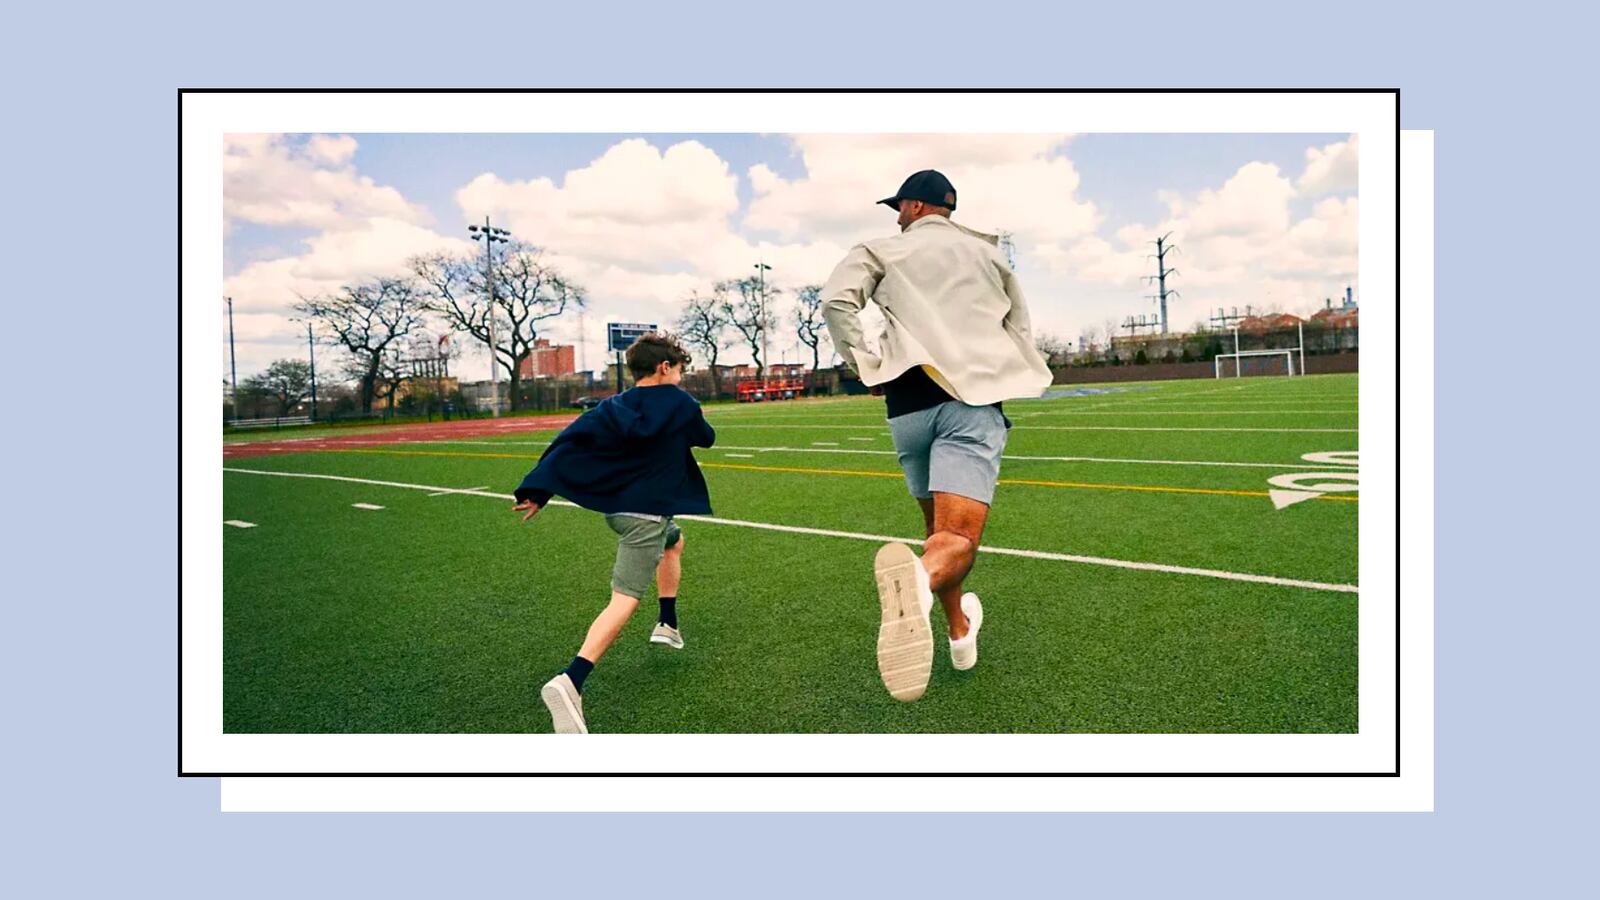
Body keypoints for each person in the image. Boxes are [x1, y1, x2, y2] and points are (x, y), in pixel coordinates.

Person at [820, 169, 1052, 702]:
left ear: (917, 206)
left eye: (899, 208)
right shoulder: (990, 255)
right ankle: (916, 588)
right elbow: (1018, 327)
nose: (897, 218)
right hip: (970, 401)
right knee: (956, 541)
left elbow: (836, 303)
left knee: (936, 534)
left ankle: (959, 634)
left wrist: (862, 362)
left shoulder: (877, 250)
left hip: (906, 404)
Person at [511, 332, 716, 733]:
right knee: (623, 600)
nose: (679, 376)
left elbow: (568, 443)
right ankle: (572, 680)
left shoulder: (613, 406)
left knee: (675, 541)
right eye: (678, 369)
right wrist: (690, 412)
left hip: (620, 511)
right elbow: (705, 438)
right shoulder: (681, 402)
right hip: (646, 518)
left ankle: (668, 624)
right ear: (663, 367)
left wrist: (538, 490)